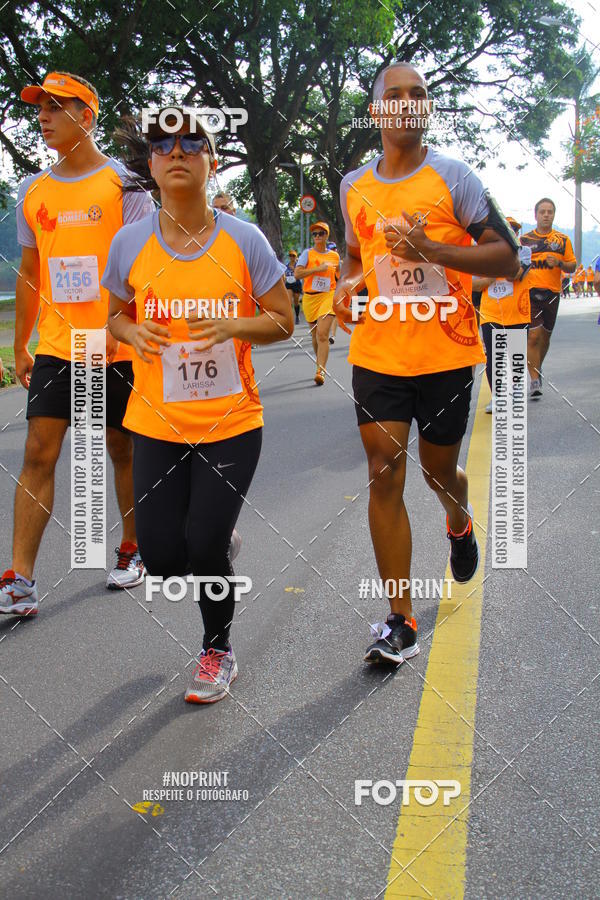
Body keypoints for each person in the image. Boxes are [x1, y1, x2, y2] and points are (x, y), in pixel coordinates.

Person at [103, 109, 293, 703]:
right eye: (164, 145)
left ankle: (217, 651)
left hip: (231, 422)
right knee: (161, 560)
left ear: (212, 161)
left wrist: (232, 324)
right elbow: (111, 315)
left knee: (204, 545)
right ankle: (218, 544)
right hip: (155, 422)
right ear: (152, 164)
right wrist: (129, 333)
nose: (177, 151)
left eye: (193, 143)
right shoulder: (129, 241)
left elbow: (284, 319)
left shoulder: (243, 239)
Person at [333, 61, 518, 665]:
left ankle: (458, 522)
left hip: (445, 355)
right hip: (378, 355)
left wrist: (432, 248)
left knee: (439, 473)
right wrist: (347, 289)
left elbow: (507, 260)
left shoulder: (454, 178)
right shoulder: (353, 185)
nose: (406, 103)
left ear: (427, 108)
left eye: (419, 95)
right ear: (377, 110)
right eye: (395, 95)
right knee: (384, 469)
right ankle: (399, 619)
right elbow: (353, 255)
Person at [0, 72, 154, 619]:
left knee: (122, 449)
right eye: (39, 107)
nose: (42, 115)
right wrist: (22, 344)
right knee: (38, 452)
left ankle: (132, 549)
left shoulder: (126, 188)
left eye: (55, 107)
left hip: (115, 346)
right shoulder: (32, 190)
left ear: (86, 117)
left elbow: (146, 268)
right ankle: (19, 579)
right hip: (59, 347)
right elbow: (30, 271)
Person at [473, 217, 531, 413]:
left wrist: (491, 272)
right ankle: (497, 396)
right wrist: (491, 274)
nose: (509, 233)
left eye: (513, 229)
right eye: (504, 229)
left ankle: (515, 390)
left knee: (516, 355)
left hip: (517, 312)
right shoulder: (480, 253)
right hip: (491, 313)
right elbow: (474, 284)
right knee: (494, 356)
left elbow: (514, 274)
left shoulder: (524, 251)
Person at [520, 199, 576, 399]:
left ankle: (537, 367)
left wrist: (559, 262)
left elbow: (572, 266)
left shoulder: (562, 240)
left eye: (550, 212)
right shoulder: (524, 240)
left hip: (552, 293)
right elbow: (517, 264)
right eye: (542, 211)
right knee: (533, 336)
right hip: (529, 293)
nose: (546, 215)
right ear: (535, 215)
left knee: (545, 337)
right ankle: (534, 380)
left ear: (554, 215)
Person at [294, 222, 340, 385]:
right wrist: (317, 269)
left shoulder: (334, 256)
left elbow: (339, 275)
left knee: (322, 333)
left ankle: (321, 370)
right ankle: (319, 362)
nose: (318, 236)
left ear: (327, 235)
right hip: (310, 297)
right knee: (315, 335)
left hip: (328, 295)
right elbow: (297, 273)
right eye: (315, 234)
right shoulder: (308, 254)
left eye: (321, 233)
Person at [284, 250, 302, 324]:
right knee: (289, 301)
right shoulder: (286, 265)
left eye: (293, 256)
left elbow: (300, 273)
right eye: (290, 255)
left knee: (296, 302)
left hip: (296, 283)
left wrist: (293, 269)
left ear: (296, 257)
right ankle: (289, 318)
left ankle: (297, 316)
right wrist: (285, 278)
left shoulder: (298, 265)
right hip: (289, 283)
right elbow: (284, 274)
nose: (292, 257)